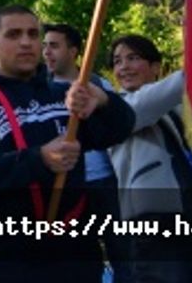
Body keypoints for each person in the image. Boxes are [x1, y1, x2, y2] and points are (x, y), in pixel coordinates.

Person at [0, 5, 135, 283]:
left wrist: (104, 101)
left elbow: (121, 129)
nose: (26, 42)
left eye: (33, 34)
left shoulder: (65, 96)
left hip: (77, 255)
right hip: (12, 260)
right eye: (13, 34)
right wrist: (39, 160)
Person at [106, 35, 192, 283]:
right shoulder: (118, 108)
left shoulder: (177, 108)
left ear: (156, 67)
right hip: (156, 225)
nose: (123, 67)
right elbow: (176, 86)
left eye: (133, 58)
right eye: (117, 61)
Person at [43, 22, 127, 282]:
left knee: (122, 254)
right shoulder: (40, 91)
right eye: (44, 46)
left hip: (105, 184)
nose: (46, 52)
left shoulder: (99, 85)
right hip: (67, 187)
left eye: (54, 46)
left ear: (74, 51)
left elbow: (117, 126)